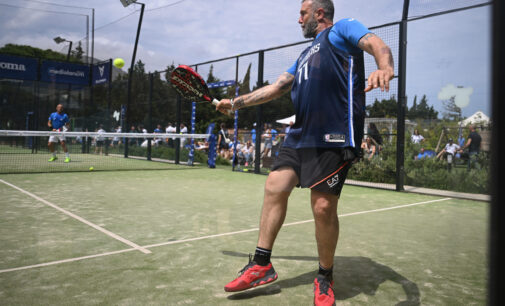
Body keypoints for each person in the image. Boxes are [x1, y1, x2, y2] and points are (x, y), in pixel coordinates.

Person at [216, 1, 394, 304]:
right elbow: (277, 87)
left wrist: (384, 67)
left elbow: (377, 43)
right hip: (301, 135)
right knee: (274, 185)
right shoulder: (303, 55)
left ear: (319, 13)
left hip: (335, 136)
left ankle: (325, 276)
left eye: (302, 13)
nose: (298, 19)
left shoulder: (342, 29)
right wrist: (235, 104)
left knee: (323, 207)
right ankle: (261, 265)